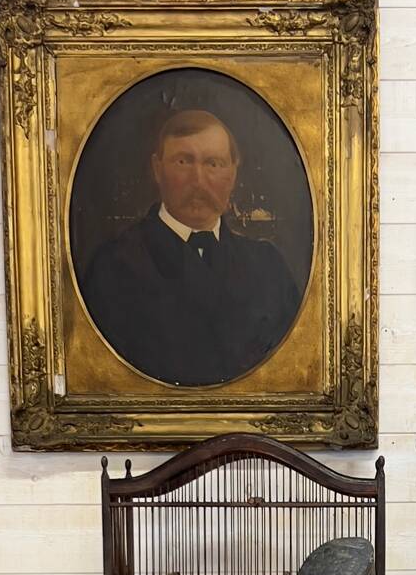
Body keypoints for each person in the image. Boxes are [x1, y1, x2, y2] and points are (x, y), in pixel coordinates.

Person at [80, 108, 302, 387]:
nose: (198, 181)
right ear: (157, 169)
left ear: (233, 174)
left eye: (214, 164)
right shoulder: (113, 268)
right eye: (183, 162)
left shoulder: (269, 267)